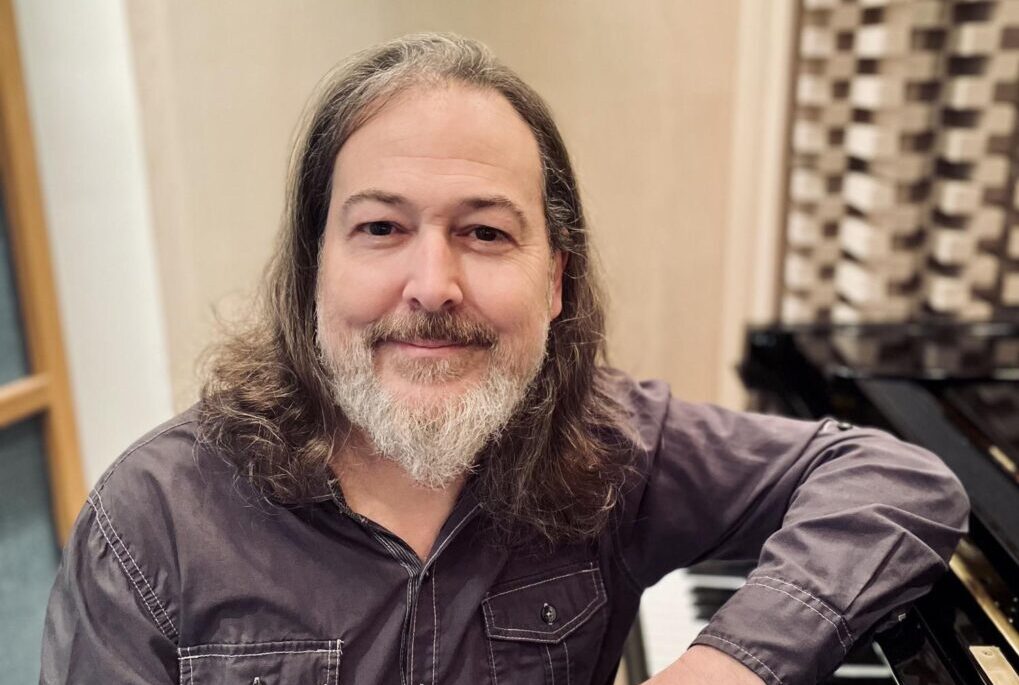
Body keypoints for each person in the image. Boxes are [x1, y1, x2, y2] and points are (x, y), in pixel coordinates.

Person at [40, 33, 968, 685]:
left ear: (554, 278)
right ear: (312, 271)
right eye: (379, 227)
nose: (433, 283)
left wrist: (729, 662)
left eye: (484, 232)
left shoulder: (612, 448)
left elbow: (896, 479)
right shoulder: (150, 523)